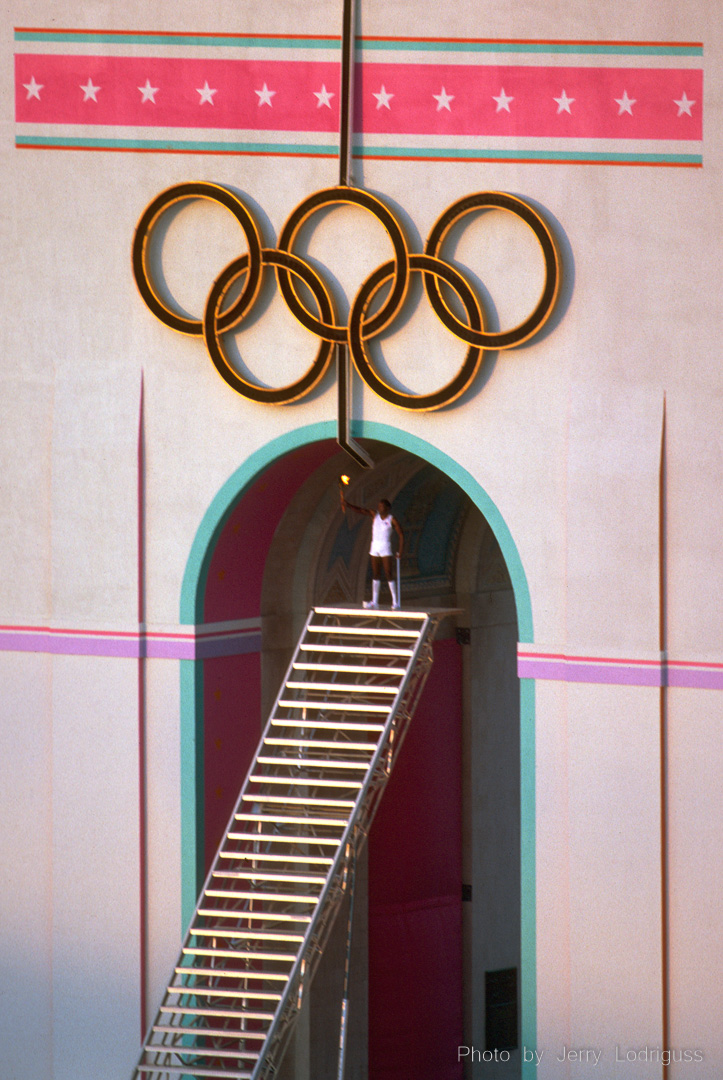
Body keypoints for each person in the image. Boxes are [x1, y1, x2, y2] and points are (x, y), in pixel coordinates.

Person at [340, 492, 404, 609]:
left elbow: (401, 535)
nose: (379, 508)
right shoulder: (374, 515)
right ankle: (374, 601)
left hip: (385, 547)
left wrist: (400, 551)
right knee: (376, 574)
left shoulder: (392, 519)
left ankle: (395, 602)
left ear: (388, 508)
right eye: (378, 506)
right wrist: (347, 504)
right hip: (374, 547)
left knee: (388, 573)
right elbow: (360, 510)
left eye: (382, 506)